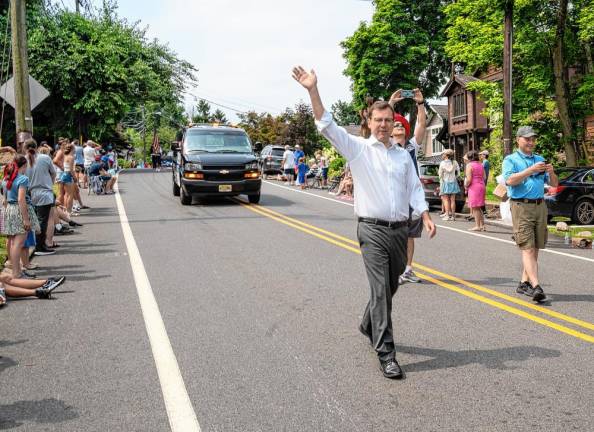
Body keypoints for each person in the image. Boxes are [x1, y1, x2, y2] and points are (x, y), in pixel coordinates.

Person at [293, 65, 436, 379]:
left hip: (400, 231)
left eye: (388, 120)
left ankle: (368, 322)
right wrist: (313, 90)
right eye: (378, 120)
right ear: (369, 123)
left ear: (393, 123)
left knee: (391, 284)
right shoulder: (357, 150)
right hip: (371, 230)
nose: (384, 125)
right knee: (381, 290)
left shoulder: (401, 156)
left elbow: (413, 188)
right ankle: (386, 353)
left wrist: (424, 214)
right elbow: (327, 126)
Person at [503, 126, 558, 302]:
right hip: (521, 205)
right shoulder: (511, 159)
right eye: (527, 139)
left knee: (535, 247)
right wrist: (530, 170)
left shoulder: (540, 159)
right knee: (527, 247)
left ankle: (523, 283)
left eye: (533, 139)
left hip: (540, 205)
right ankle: (536, 286)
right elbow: (510, 181)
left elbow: (554, 184)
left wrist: (551, 172)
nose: (531, 142)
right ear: (518, 140)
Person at [389, 89, 427, 285]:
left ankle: (408, 268)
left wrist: (420, 103)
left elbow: (421, 124)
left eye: (402, 125)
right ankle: (394, 267)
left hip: (411, 196)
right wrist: (391, 104)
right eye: (395, 124)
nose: (398, 126)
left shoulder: (411, 146)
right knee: (394, 233)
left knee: (409, 234)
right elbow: (380, 123)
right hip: (392, 195)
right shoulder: (386, 146)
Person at [1, 155, 41, 279]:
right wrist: (25, 219)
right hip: (19, 210)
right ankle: (17, 273)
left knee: (12, 242)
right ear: (23, 166)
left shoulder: (5, 179)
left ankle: (15, 269)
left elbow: (5, 198)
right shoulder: (22, 179)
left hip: (10, 210)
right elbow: (21, 199)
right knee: (18, 243)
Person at [24, 139, 56, 256]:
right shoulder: (45, 158)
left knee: (35, 220)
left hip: (30, 193)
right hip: (45, 192)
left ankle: (36, 244)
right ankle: (40, 246)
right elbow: (53, 173)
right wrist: (50, 184)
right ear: (36, 146)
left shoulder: (24, 160)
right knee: (43, 220)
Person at [464, 150, 486, 231]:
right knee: (479, 207)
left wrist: (466, 186)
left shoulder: (469, 165)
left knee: (475, 207)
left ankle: (477, 226)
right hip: (481, 185)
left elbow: (469, 179)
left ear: (469, 158)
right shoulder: (481, 164)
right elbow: (484, 177)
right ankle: (483, 225)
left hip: (474, 187)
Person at [438, 149, 461, 221]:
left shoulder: (442, 163)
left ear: (446, 155)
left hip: (445, 183)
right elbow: (459, 174)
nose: (442, 155)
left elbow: (440, 174)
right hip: (453, 182)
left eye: (443, 154)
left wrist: (441, 179)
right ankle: (453, 216)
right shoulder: (455, 162)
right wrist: (454, 177)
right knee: (453, 200)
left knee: (446, 200)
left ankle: (447, 215)